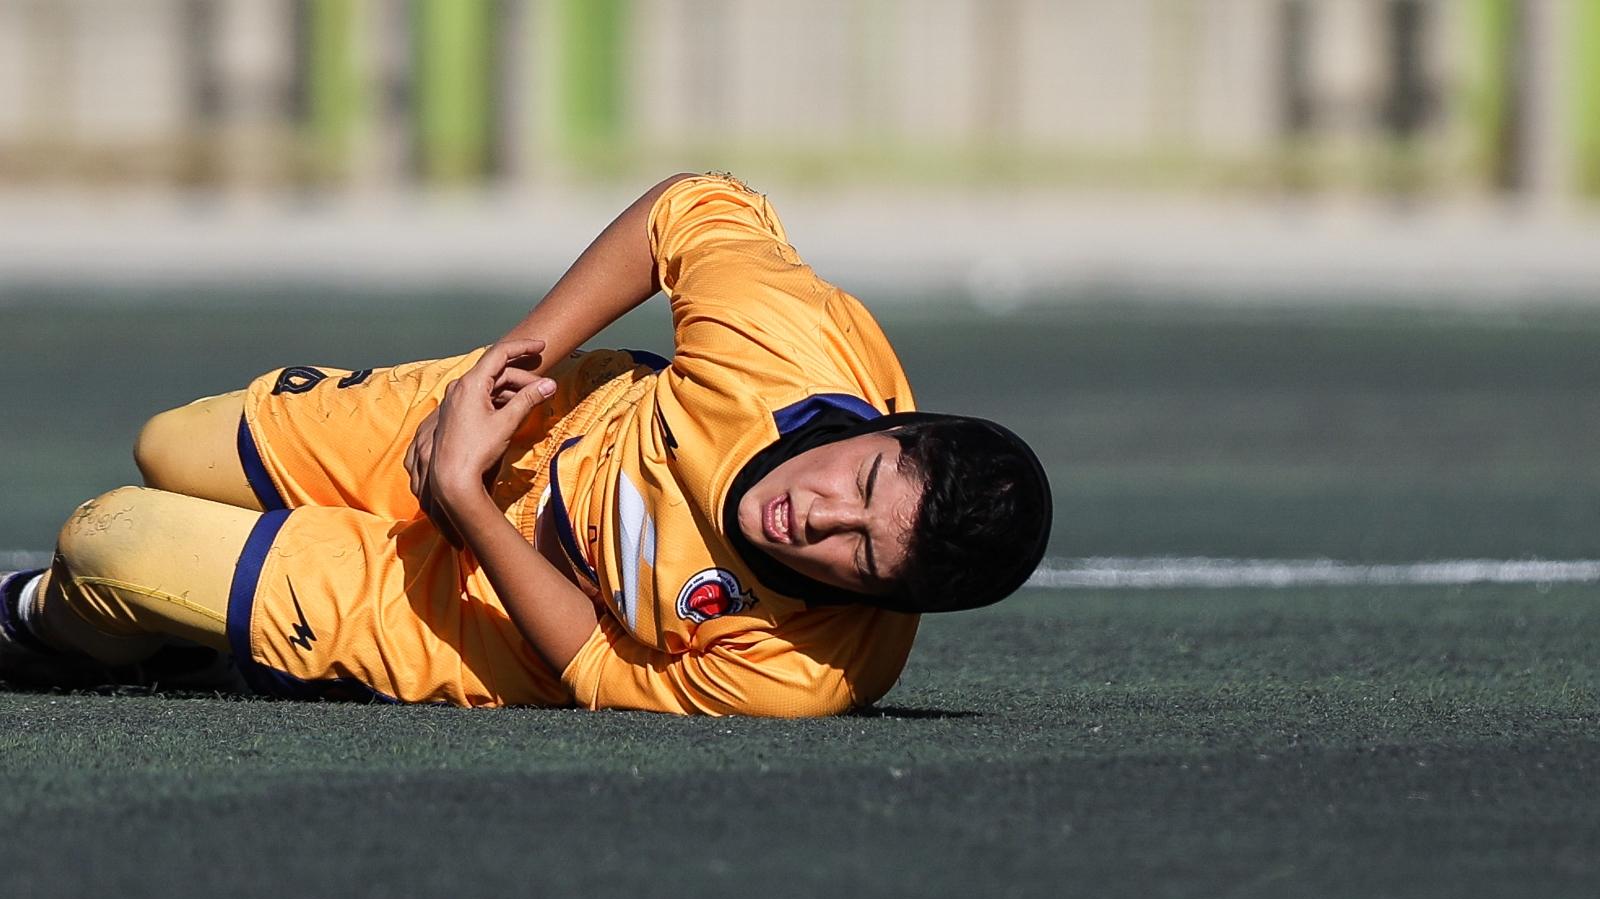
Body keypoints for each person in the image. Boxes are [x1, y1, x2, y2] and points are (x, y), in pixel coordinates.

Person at [0, 172, 1051, 717]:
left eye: (860, 552)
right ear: (884, 425)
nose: (818, 515)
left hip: (481, 620)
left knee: (111, 541)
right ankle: (181, 637)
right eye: (861, 480)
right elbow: (688, 207)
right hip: (529, 421)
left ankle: (39, 624)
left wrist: (463, 501)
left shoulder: (812, 673)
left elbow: (594, 662)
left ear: (884, 603)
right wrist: (510, 364)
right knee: (169, 447)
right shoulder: (790, 339)